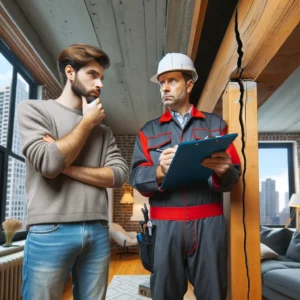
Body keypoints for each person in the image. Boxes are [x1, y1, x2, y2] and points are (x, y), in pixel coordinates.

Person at [18, 43, 128, 300]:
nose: (100, 83)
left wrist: (67, 168)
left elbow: (119, 175)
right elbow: (48, 164)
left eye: (102, 77)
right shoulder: (34, 110)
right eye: (92, 74)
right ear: (70, 73)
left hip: (98, 230)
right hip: (49, 230)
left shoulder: (104, 131)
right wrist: (86, 123)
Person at [130, 53, 240, 300]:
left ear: (189, 84)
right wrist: (158, 172)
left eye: (172, 81)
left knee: (214, 293)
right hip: (164, 227)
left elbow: (234, 177)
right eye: (161, 83)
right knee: (164, 293)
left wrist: (225, 171)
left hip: (208, 224)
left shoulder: (215, 126)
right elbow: (136, 176)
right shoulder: (148, 131)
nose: (165, 88)